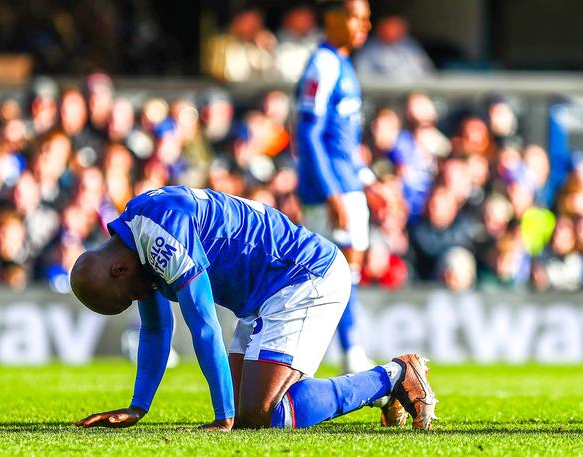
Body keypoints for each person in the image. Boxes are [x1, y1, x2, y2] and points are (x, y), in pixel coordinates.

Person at [70, 186, 437, 431]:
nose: (140, 297)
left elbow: (204, 324)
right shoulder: (136, 237)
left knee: (263, 413)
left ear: (119, 270)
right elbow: (156, 329)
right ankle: (387, 390)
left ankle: (392, 376)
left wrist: (222, 417)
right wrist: (138, 407)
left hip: (302, 276)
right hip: (265, 295)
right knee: (251, 414)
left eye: (128, 296)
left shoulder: (161, 232)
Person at [294, 0, 379, 373]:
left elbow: (343, 139)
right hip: (331, 188)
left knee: (346, 267)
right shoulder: (323, 64)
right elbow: (308, 134)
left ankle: (347, 351)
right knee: (331, 270)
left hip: (346, 182)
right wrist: (331, 191)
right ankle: (343, 353)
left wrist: (368, 179)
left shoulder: (343, 64)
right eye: (355, 16)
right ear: (331, 18)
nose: (365, 24)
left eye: (366, 17)